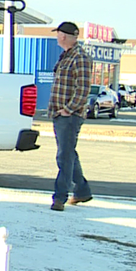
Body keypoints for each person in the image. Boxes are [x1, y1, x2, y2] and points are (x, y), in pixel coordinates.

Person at [47, 21, 94, 211]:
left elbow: (83, 90)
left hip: (70, 116)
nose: (57, 37)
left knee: (64, 156)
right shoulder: (67, 55)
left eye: (58, 34)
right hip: (60, 114)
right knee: (69, 153)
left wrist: (68, 109)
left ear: (64, 36)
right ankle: (82, 191)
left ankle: (60, 197)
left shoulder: (80, 57)